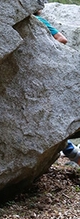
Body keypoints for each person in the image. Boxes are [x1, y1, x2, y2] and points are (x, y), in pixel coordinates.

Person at [34, 10, 79, 164]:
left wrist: (43, 53)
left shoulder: (37, 20)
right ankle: (74, 154)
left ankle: (74, 154)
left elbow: (62, 39)